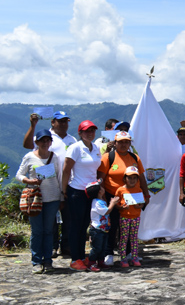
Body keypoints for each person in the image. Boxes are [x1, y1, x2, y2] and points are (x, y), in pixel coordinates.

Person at [23, 111, 77, 258]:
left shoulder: (72, 139)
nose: (63, 124)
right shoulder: (46, 137)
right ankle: (52, 246)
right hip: (47, 184)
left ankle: (66, 245)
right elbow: (27, 145)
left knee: (68, 217)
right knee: (50, 219)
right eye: (60, 121)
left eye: (66, 121)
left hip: (68, 182)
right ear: (53, 122)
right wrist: (33, 126)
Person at [97, 131, 149, 266]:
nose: (124, 144)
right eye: (120, 142)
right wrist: (102, 196)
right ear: (115, 143)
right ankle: (109, 252)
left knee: (130, 225)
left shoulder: (135, 157)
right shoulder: (108, 157)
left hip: (133, 196)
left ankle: (129, 253)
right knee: (112, 225)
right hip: (113, 196)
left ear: (130, 143)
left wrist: (146, 194)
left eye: (126, 141)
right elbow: (100, 178)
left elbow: (141, 177)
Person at [16, 130, 61, 274]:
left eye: (48, 140)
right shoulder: (29, 157)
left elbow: (59, 177)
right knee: (37, 231)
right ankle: (36, 261)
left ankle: (48, 260)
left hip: (52, 198)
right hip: (34, 198)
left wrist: (62, 197)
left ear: (51, 142)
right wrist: (28, 180)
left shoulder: (55, 157)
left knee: (49, 231)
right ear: (37, 142)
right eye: (42, 140)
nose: (45, 143)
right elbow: (19, 174)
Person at [61, 120, 102, 271]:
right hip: (76, 191)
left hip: (91, 192)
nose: (90, 133)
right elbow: (66, 170)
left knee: (85, 225)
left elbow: (96, 170)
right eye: (86, 131)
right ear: (80, 133)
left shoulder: (96, 148)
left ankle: (80, 255)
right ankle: (74, 259)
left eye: (92, 130)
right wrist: (63, 191)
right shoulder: (75, 148)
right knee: (75, 226)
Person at [85, 181, 120, 272]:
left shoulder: (101, 201)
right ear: (99, 191)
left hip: (103, 229)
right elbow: (106, 211)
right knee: (97, 247)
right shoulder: (97, 202)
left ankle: (100, 261)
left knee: (103, 247)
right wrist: (112, 203)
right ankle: (91, 262)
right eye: (100, 187)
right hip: (97, 229)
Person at [114, 166, 145, 267]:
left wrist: (139, 206)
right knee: (124, 238)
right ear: (125, 178)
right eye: (129, 178)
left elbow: (142, 204)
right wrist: (121, 207)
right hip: (125, 218)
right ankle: (123, 258)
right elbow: (116, 204)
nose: (132, 180)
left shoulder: (139, 189)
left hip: (136, 217)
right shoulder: (120, 190)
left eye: (135, 178)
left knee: (134, 238)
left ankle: (134, 257)